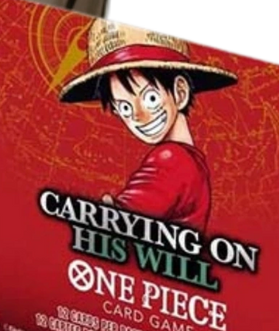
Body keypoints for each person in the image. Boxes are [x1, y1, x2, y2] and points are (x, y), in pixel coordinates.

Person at [58, 19, 236, 231]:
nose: (138, 116)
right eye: (125, 108)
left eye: (150, 98)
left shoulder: (172, 159)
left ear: (180, 92)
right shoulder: (193, 161)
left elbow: (117, 221)